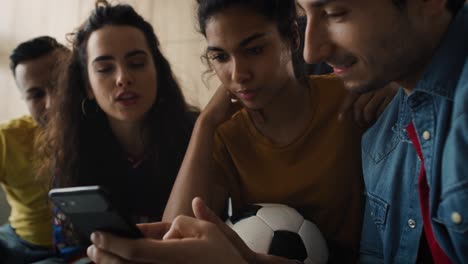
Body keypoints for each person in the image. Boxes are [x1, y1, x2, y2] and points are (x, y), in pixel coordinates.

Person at [88, 0, 468, 263]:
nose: (237, 74)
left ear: (290, 36)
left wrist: (397, 85)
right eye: (220, 56)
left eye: (254, 50)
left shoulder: (358, 99)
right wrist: (204, 124)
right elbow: (174, 236)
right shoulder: (226, 136)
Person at [38, 1, 197, 262]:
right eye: (104, 68)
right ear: (87, 86)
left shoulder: (195, 134)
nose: (123, 77)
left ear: (157, 70)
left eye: (136, 63)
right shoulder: (74, 151)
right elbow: (68, 248)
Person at [0, 36, 69, 263]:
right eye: (36, 95)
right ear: (24, 99)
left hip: (78, 249)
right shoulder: (7, 138)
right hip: (15, 242)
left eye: (58, 85)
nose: (51, 103)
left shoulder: (113, 128)